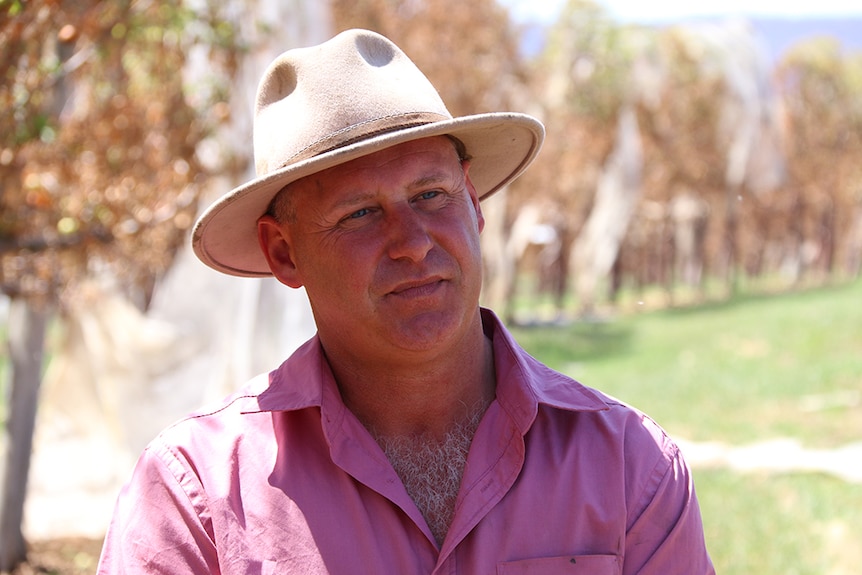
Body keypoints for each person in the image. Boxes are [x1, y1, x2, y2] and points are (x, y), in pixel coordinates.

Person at [97, 28, 714, 574]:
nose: (414, 244)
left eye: (431, 195)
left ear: (473, 204)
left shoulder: (629, 467)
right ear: (285, 253)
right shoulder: (197, 495)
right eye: (360, 213)